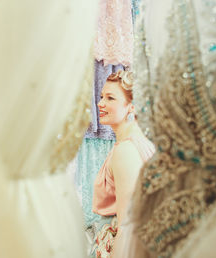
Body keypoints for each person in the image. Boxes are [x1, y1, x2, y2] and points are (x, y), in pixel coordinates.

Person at [90, 70, 155, 257]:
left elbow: (128, 226)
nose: (100, 103)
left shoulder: (126, 151)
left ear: (132, 106)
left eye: (110, 98)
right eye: (102, 96)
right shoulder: (138, 141)